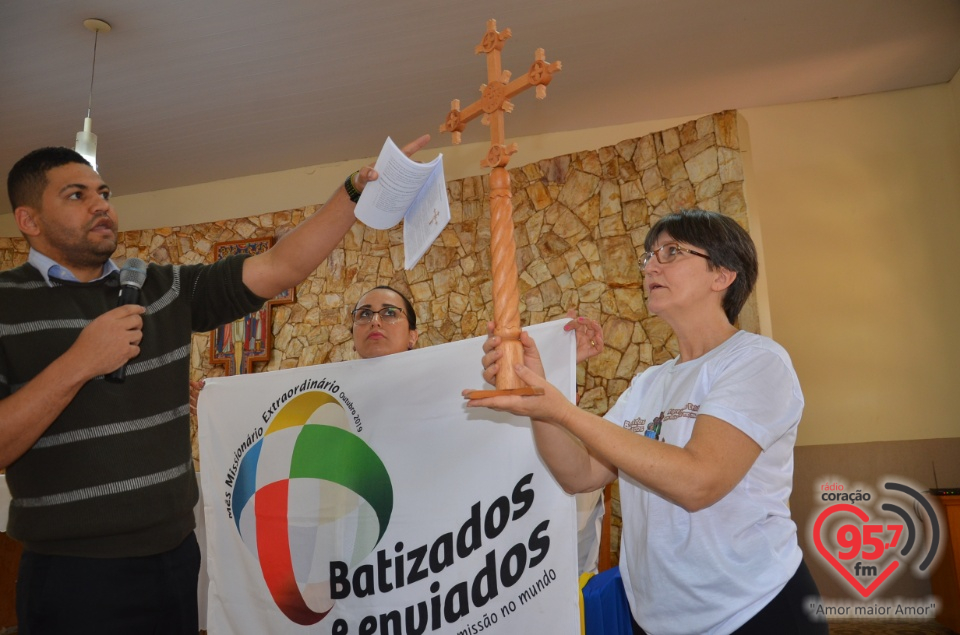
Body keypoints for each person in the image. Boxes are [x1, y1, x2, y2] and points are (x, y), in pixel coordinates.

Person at [0, 136, 430, 635]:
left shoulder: (162, 288)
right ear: (28, 220)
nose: (101, 205)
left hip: (173, 561)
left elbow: (280, 267)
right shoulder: (7, 306)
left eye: (104, 192)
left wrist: (353, 193)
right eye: (76, 195)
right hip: (71, 576)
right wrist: (79, 361)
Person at [466, 209, 826, 635]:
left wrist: (563, 410)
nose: (651, 266)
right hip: (657, 621)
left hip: (752, 611)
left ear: (723, 274)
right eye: (649, 256)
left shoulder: (756, 361)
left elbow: (699, 481)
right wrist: (537, 400)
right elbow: (580, 473)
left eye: (671, 252)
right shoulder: (649, 383)